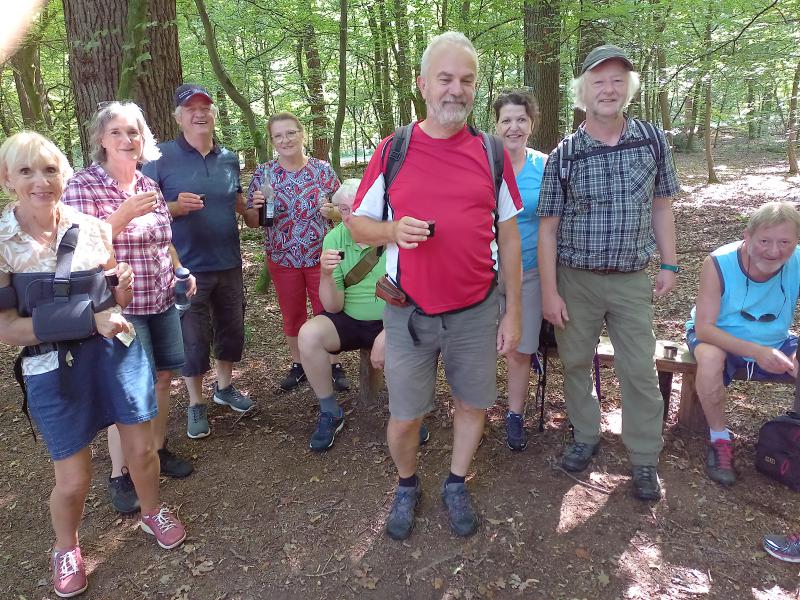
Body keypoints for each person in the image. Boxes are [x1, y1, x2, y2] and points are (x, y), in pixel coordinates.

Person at [349, 31, 523, 540]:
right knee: (406, 416)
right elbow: (357, 225)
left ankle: (455, 481)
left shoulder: (491, 152)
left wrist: (512, 311)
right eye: (445, 78)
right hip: (410, 314)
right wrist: (391, 231)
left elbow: (510, 237)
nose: (456, 89)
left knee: (472, 403)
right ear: (423, 84)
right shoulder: (394, 149)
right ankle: (406, 484)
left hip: (476, 311)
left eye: (466, 80)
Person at [0, 132, 185, 598]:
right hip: (51, 366)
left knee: (142, 451)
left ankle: (152, 512)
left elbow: (113, 299)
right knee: (73, 478)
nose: (41, 181)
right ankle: (66, 547)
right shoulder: (2, 243)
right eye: (26, 171)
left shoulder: (93, 228)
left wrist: (120, 288)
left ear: (64, 176)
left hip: (116, 353)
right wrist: (88, 319)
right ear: (7, 179)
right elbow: (8, 328)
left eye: (50, 170)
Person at [537, 44, 680, 501]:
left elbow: (662, 207)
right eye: (598, 81)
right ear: (583, 91)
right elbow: (547, 230)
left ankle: (644, 457)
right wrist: (549, 293)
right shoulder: (565, 154)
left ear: (628, 88)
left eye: (617, 80)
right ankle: (585, 435)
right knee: (576, 363)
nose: (608, 89)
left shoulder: (652, 140)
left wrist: (670, 262)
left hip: (631, 279)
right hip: (575, 280)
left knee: (638, 368)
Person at [62, 101, 197, 515]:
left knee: (163, 378)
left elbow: (163, 239)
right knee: (128, 392)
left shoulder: (147, 183)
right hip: (119, 307)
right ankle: (121, 473)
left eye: (134, 132)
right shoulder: (83, 186)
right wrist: (118, 217)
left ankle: (155, 450)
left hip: (161, 298)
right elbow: (72, 252)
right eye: (117, 132)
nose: (127, 139)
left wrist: (180, 269)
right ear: (101, 139)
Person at [142, 84, 256, 440]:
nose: (199, 113)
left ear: (213, 115)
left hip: (229, 262)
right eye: (191, 109)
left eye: (205, 107)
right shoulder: (159, 157)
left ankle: (224, 387)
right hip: (185, 268)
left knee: (231, 329)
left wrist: (254, 208)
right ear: (179, 117)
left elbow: (239, 203)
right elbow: (143, 212)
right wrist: (175, 207)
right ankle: (196, 402)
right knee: (192, 338)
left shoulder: (229, 158)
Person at [685, 201, 800, 486]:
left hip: (775, 339)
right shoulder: (718, 263)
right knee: (709, 358)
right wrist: (756, 351)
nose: (774, 251)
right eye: (764, 241)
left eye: (785, 242)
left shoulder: (797, 261)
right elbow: (705, 328)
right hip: (720, 336)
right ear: (747, 237)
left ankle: (794, 438)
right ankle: (719, 440)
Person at [246, 112, 343, 392]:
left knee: (328, 310)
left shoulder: (322, 170)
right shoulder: (264, 173)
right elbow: (252, 221)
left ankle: (334, 364)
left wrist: (333, 212)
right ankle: (299, 364)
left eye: (290, 133)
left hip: (321, 258)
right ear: (272, 141)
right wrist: (256, 207)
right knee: (292, 314)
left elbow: (344, 211)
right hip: (282, 257)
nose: (285, 140)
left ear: (302, 134)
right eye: (278, 136)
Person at [296, 179, 385, 450]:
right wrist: (325, 274)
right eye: (344, 209)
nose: (349, 216)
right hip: (350, 318)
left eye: (356, 208)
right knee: (308, 334)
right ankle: (330, 410)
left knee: (411, 340)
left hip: (391, 320)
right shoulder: (334, 238)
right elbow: (333, 307)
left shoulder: (390, 233)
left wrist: (392, 330)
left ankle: (408, 415)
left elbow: (412, 290)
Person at [493, 89, 548, 451]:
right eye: (506, 120)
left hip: (529, 272)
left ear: (531, 124)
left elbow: (554, 223)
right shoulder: (484, 164)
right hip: (483, 273)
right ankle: (474, 408)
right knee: (477, 348)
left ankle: (514, 414)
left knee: (519, 350)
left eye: (521, 120)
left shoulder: (544, 166)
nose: (514, 127)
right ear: (496, 125)